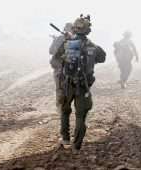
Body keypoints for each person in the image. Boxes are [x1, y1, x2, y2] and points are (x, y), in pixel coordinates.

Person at [55, 15, 106, 150]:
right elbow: (102, 58)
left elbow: (56, 58)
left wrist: (68, 40)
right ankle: (76, 145)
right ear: (88, 31)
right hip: (83, 86)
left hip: (67, 84)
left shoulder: (66, 44)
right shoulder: (94, 47)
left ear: (74, 29)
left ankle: (65, 139)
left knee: (65, 111)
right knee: (81, 115)